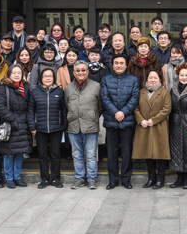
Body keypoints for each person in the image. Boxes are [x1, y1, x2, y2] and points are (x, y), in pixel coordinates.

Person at [101, 54, 140, 190]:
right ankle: (112, 180)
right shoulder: (106, 79)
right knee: (111, 153)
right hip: (111, 121)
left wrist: (123, 112)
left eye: (121, 63)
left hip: (127, 121)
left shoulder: (133, 79)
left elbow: (134, 98)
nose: (119, 65)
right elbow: (105, 98)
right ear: (112, 65)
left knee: (127, 153)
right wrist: (115, 112)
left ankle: (126, 180)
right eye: (116, 63)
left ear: (126, 65)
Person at [65, 61, 103, 189]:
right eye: (78, 70)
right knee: (76, 154)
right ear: (74, 72)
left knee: (91, 154)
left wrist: (92, 115)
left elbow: (100, 106)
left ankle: (92, 179)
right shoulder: (68, 88)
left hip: (90, 125)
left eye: (83, 70)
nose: (80, 72)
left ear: (87, 72)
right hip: (73, 125)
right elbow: (66, 105)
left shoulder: (96, 86)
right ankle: (79, 178)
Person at [28, 68, 67, 189]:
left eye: (50, 76)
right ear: (41, 78)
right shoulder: (35, 92)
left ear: (54, 78)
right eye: (45, 76)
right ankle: (44, 179)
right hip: (40, 128)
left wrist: (64, 126)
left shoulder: (59, 91)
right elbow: (30, 111)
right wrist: (32, 126)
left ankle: (56, 178)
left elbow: (64, 110)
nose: (48, 78)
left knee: (56, 154)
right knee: (42, 155)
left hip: (56, 128)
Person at [132, 70, 172, 189]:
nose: (153, 80)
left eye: (155, 77)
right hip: (144, 127)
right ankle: (151, 179)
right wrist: (141, 120)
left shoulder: (164, 92)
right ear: (147, 79)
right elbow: (135, 107)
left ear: (160, 79)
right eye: (150, 77)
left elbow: (166, 109)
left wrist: (153, 120)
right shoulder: (141, 92)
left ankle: (160, 180)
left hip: (159, 126)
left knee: (160, 155)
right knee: (148, 154)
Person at [0, 64, 32, 188]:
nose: (16, 75)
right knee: (9, 153)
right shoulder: (3, 87)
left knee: (20, 152)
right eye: (14, 73)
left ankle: (17, 177)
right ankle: (9, 178)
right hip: (10, 124)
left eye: (19, 73)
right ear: (9, 74)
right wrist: (12, 119)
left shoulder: (26, 87)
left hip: (23, 124)